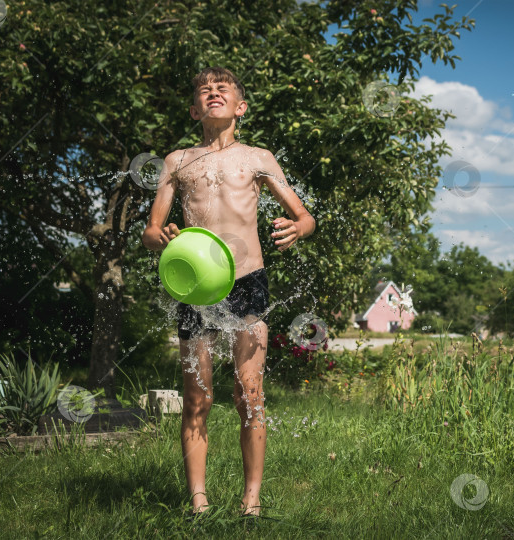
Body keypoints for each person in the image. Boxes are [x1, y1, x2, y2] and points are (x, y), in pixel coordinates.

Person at [142, 66, 316, 518]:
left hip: (249, 280)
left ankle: (251, 500)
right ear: (194, 108)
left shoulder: (258, 158)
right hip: (196, 285)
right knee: (198, 396)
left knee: (249, 393)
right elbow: (151, 230)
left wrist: (297, 227)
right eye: (204, 90)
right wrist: (161, 236)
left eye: (223, 89)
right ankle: (198, 502)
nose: (213, 93)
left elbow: (305, 215)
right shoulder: (177, 161)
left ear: (240, 107)